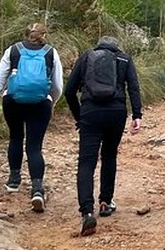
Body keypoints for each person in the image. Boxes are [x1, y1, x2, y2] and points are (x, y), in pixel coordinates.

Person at [64, 36, 142, 237]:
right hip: (116, 112)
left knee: (86, 162)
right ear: (117, 46)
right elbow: (133, 87)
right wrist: (137, 115)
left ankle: (87, 211)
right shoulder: (124, 59)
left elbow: (69, 91)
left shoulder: (87, 57)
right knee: (109, 155)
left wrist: (78, 115)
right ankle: (105, 202)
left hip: (90, 113)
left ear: (98, 45)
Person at [0, 22, 63, 212]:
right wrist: (51, 101)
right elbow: (58, 85)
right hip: (40, 103)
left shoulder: (13, 51)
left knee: (16, 137)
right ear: (44, 35)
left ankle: (14, 180)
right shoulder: (51, 53)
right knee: (34, 146)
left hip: (13, 101)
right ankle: (37, 189)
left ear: (26, 34)